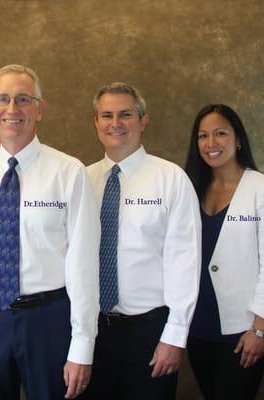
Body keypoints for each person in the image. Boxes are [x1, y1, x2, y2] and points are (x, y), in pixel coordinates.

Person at [0, 64, 99, 400]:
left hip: (49, 320)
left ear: (39, 109)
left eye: (23, 99)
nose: (12, 109)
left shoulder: (69, 173)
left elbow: (83, 267)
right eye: (3, 99)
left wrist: (82, 346)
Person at [83, 82, 201, 399]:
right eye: (106, 115)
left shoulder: (171, 179)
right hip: (91, 332)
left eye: (126, 114)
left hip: (149, 334)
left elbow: (185, 262)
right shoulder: (82, 180)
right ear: (96, 123)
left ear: (143, 121)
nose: (115, 123)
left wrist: (174, 337)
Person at [184, 104, 264, 399]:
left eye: (220, 133)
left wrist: (259, 330)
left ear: (238, 139)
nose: (211, 143)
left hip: (243, 330)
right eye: (203, 136)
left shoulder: (259, 188)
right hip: (198, 327)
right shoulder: (190, 188)